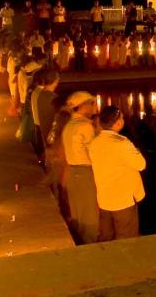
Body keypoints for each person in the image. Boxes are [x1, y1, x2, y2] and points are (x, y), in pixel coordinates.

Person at [91, 106, 146, 241]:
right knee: (126, 236)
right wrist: (137, 150)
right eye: (122, 118)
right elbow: (141, 164)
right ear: (117, 123)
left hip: (104, 198)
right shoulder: (122, 143)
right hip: (123, 199)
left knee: (106, 236)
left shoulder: (94, 143)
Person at [61, 91, 100, 243]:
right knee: (89, 211)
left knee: (78, 209)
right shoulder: (85, 126)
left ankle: (80, 239)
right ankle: (90, 242)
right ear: (83, 106)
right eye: (91, 103)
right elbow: (94, 153)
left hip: (73, 171)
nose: (94, 106)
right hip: (85, 172)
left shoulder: (69, 125)